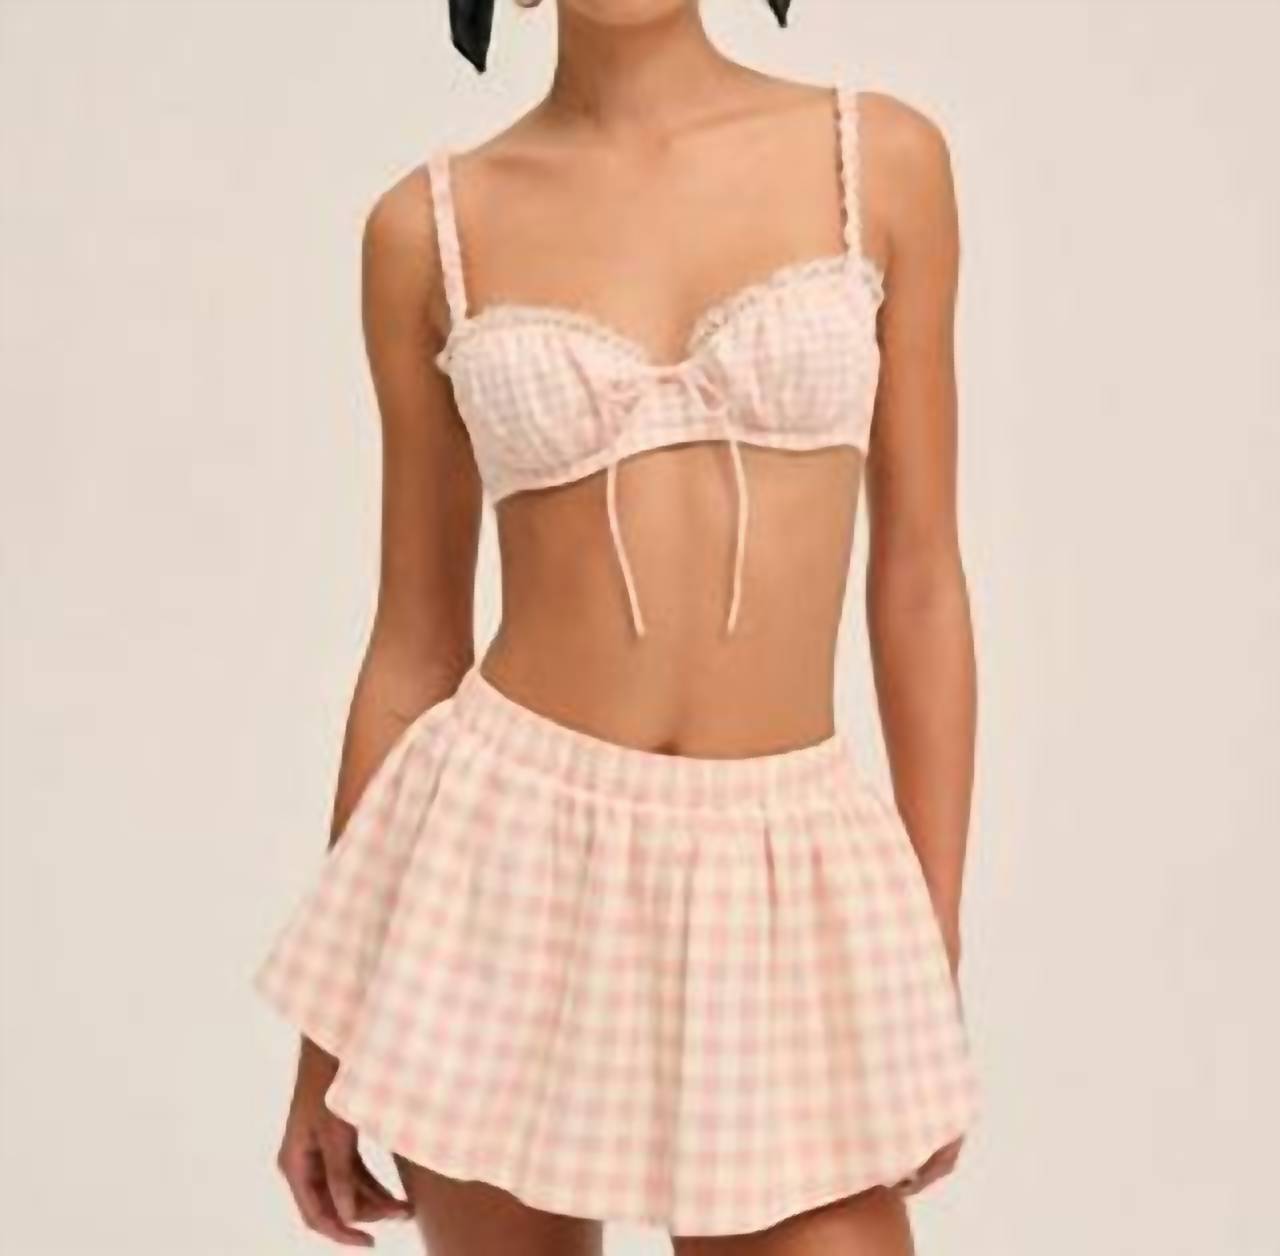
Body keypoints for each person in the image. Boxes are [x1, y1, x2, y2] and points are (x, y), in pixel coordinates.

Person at [254, 2, 980, 1252]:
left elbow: (917, 578)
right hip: (497, 861)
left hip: (779, 866)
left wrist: (927, 941)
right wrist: (329, 1042)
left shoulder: (879, 162)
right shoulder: (426, 230)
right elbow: (413, 645)